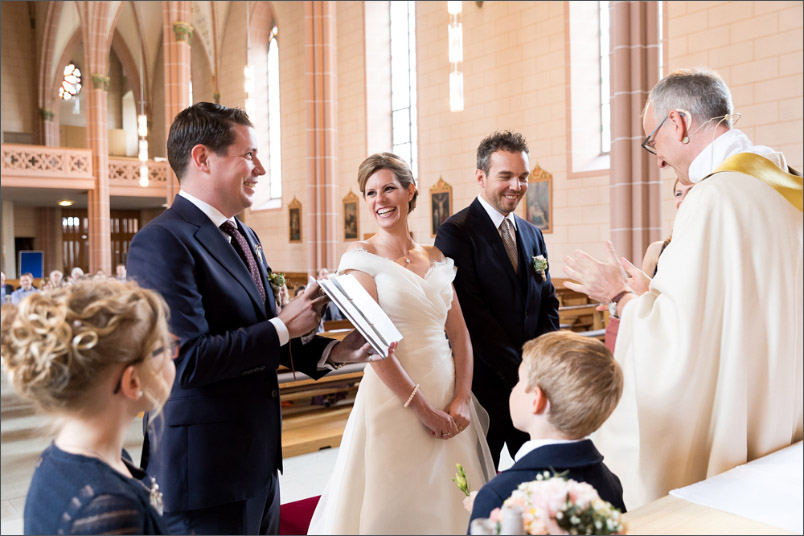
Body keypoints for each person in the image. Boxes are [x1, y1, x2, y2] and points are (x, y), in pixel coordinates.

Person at [126, 102, 373, 535]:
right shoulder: (162, 241)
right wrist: (283, 325)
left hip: (257, 464)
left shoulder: (244, 235)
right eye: (249, 155)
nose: (260, 168)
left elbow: (257, 334)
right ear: (203, 158)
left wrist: (336, 350)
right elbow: (188, 362)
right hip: (204, 474)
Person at [563, 67, 803, 509]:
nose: (655, 158)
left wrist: (620, 297)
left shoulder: (713, 199)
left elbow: (677, 338)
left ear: (678, 123)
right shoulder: (787, 188)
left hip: (730, 440)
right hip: (783, 423)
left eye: (652, 141)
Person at [309, 152, 495, 534]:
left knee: (451, 496)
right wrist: (423, 409)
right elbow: (373, 346)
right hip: (396, 398)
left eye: (389, 188)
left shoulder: (436, 255)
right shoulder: (359, 258)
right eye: (371, 192)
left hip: (446, 392)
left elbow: (459, 335)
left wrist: (461, 397)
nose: (380, 200)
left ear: (410, 191)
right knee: (395, 503)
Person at [0, 279, 175, 534]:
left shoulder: (84, 457)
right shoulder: (106, 510)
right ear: (133, 381)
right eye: (164, 348)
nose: (173, 354)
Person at [434, 130, 560, 469]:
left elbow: (546, 301)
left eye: (522, 177)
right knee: (479, 481)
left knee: (541, 476)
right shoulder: (456, 232)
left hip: (532, 387)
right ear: (480, 177)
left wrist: (546, 361)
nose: (516, 186)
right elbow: (472, 317)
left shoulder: (532, 234)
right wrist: (521, 372)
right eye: (506, 176)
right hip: (483, 388)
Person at [469, 331, 626, 524]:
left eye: (518, 381)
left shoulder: (499, 496)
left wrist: (483, 510)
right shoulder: (609, 482)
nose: (513, 388)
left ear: (536, 399)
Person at [640, 178, 694, 278]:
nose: (683, 199)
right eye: (678, 194)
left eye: (691, 191)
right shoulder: (656, 250)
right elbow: (642, 292)